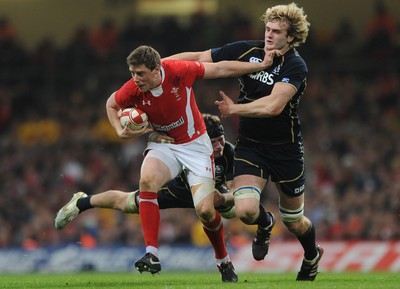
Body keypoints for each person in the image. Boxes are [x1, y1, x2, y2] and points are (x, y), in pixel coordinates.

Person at [167, 3, 323, 281]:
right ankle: (265, 223)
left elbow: (274, 106)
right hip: (251, 146)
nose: (270, 34)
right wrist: (161, 67)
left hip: (286, 151)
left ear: (291, 37)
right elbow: (201, 57)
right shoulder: (247, 50)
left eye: (277, 31)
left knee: (294, 221)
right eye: (268, 28)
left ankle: (311, 257)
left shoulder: (296, 65)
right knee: (246, 212)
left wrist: (235, 110)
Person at [100, 45, 279, 276]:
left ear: (156, 70)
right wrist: (118, 130)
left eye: (140, 73)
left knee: (205, 210)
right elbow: (111, 104)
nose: (135, 79)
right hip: (164, 144)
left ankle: (223, 260)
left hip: (195, 145)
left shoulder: (177, 71)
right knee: (147, 181)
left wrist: (260, 65)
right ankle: (151, 253)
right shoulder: (132, 89)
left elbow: (221, 68)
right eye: (132, 73)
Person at [55, 113, 237, 282]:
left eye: (220, 140)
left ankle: (226, 261)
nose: (218, 146)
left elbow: (236, 189)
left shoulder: (229, 152)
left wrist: (225, 198)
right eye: (213, 142)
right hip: (175, 192)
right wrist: (154, 137)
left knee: (233, 210)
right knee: (127, 203)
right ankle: (82, 202)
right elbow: (160, 144)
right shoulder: (185, 146)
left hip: (211, 195)